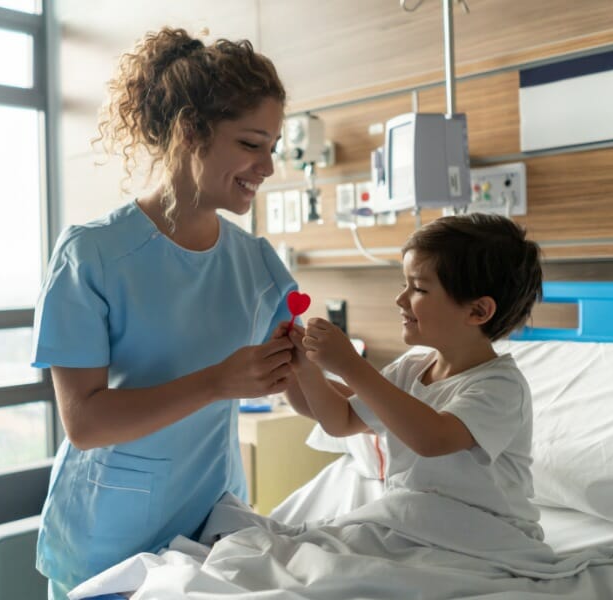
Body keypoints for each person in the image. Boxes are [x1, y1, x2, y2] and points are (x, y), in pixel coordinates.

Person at [31, 27, 299, 598]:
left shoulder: (257, 265)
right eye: (252, 144)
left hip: (212, 535)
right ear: (189, 132)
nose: (267, 167)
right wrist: (219, 381)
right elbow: (84, 423)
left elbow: (303, 390)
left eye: (273, 147)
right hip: (108, 541)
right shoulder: (93, 255)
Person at [283, 213, 545, 539]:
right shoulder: (409, 371)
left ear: (477, 311)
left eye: (418, 288)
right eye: (403, 284)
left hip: (484, 537)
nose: (400, 299)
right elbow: (341, 420)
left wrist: (351, 365)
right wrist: (301, 369)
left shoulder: (501, 387)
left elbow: (432, 439)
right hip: (413, 525)